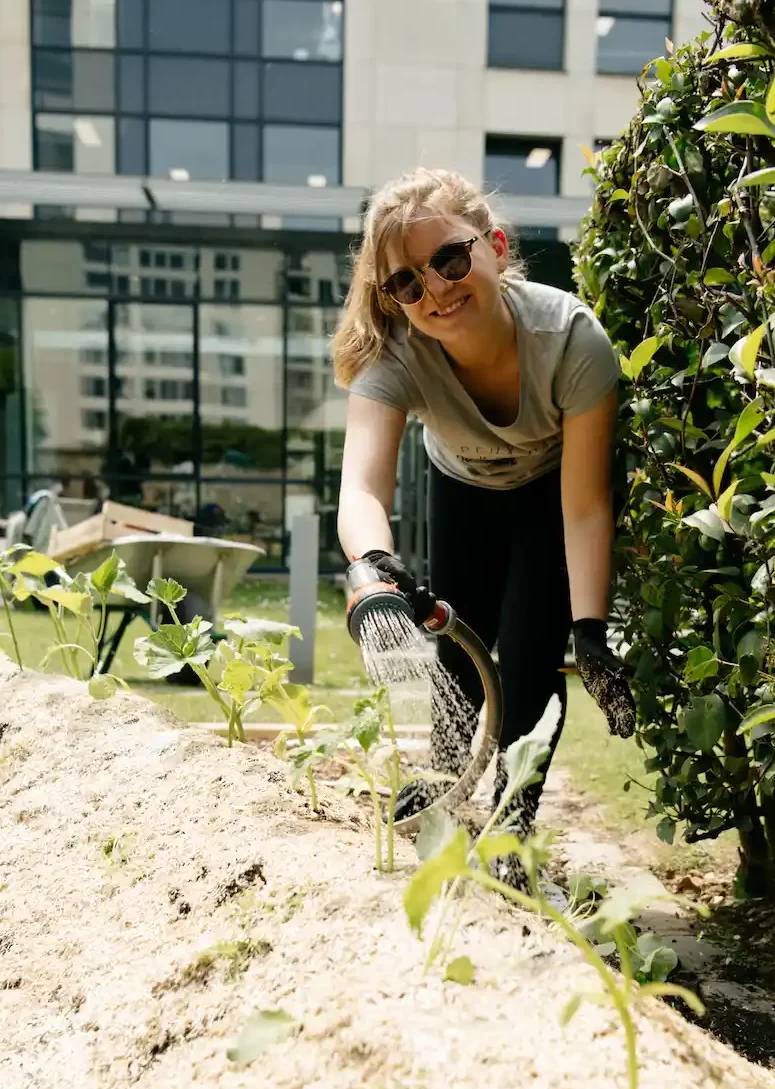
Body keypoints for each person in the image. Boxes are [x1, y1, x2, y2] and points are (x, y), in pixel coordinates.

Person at [333, 168, 635, 877]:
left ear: (494, 247)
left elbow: (586, 503)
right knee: (457, 648)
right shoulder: (397, 355)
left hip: (549, 491)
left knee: (529, 659)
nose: (434, 289)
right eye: (406, 282)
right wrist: (371, 565)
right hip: (463, 485)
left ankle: (511, 825)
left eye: (448, 259)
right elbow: (360, 486)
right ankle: (447, 791)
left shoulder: (570, 340)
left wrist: (589, 630)